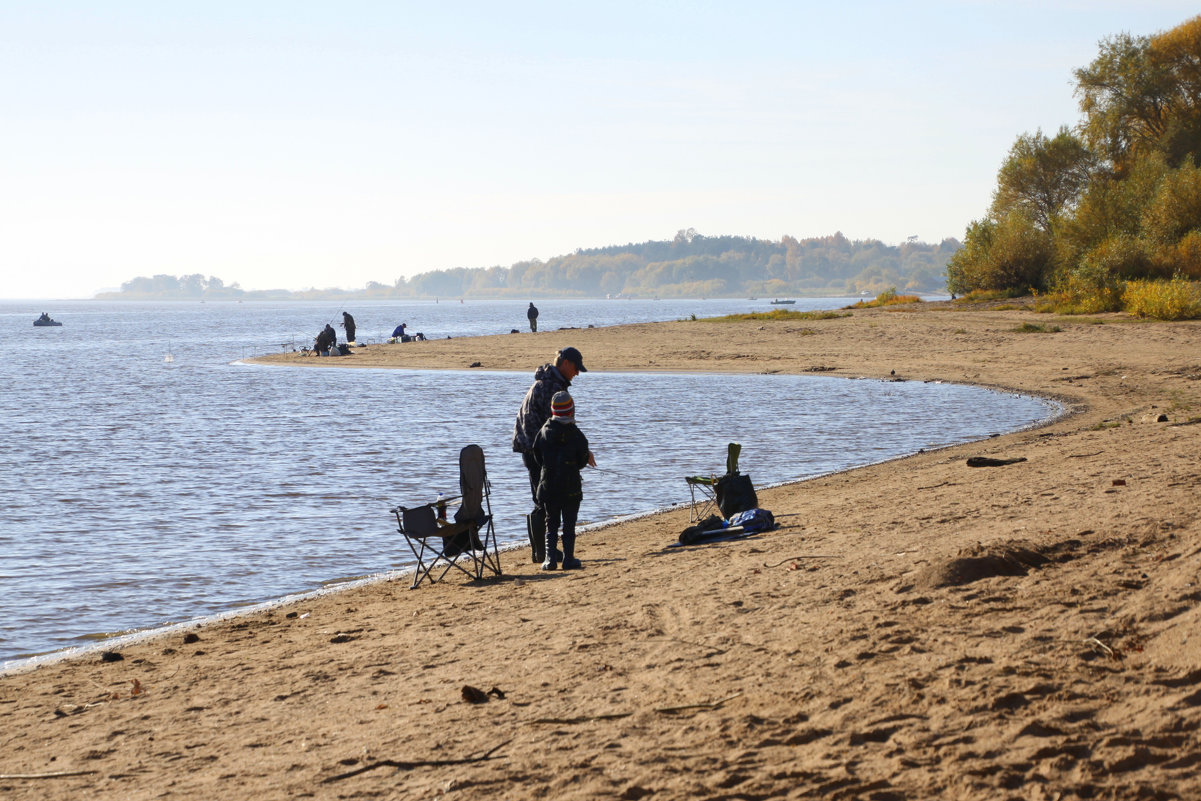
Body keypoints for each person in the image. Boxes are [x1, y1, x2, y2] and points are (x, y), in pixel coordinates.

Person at [512, 347, 588, 562]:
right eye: (575, 368)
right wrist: (579, 451)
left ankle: (543, 552)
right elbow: (556, 428)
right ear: (565, 363)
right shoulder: (551, 386)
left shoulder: (548, 382)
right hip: (535, 448)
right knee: (544, 499)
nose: (577, 373)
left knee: (543, 498)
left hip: (532, 445)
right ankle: (545, 553)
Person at [530, 391, 595, 570]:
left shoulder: (543, 431)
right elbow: (582, 460)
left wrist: (549, 466)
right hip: (570, 487)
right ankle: (568, 559)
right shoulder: (576, 434)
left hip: (548, 486)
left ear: (553, 411)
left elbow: (537, 456)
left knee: (551, 523)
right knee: (569, 524)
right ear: (572, 411)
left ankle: (550, 560)